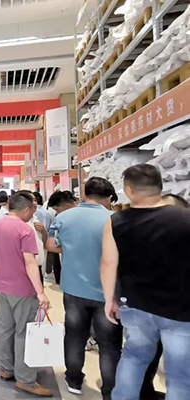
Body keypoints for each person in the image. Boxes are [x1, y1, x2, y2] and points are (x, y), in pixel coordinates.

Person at [101, 164, 190, 400]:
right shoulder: (185, 217)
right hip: (180, 309)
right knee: (180, 373)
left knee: (133, 358)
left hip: (135, 305)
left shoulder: (116, 221)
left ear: (128, 190)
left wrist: (109, 299)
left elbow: (108, 263)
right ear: (160, 187)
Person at [45, 177, 121, 399]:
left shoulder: (64, 217)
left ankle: (74, 380)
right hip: (107, 293)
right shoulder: (115, 219)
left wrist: (71, 248)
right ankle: (110, 389)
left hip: (73, 289)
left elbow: (51, 245)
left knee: (74, 336)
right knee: (109, 345)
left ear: (85, 194)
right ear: (109, 197)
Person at [0, 192, 53, 397]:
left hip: (1, 287)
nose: (33, 214)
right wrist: (40, 293)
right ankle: (25, 380)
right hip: (23, 289)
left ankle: (6, 369)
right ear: (25, 209)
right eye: (32, 210)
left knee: (5, 329)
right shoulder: (25, 230)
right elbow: (30, 262)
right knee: (24, 333)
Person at [45, 190, 77, 284]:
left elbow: (51, 245)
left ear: (67, 206)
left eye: (57, 210)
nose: (57, 213)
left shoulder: (60, 219)